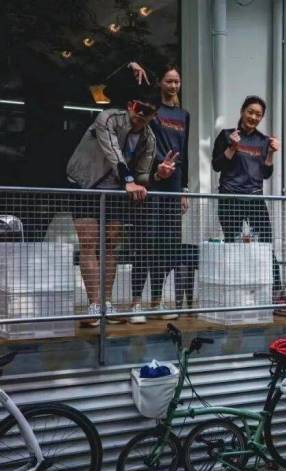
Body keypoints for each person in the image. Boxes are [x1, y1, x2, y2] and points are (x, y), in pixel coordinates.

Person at [66, 90, 159, 327]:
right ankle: (94, 304)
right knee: (89, 242)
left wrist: (159, 174)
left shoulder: (149, 138)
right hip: (86, 183)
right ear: (130, 104)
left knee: (110, 245)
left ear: (154, 115)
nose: (141, 114)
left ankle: (106, 304)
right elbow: (113, 152)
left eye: (148, 111)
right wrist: (129, 180)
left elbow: (143, 174)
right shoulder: (108, 118)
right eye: (138, 107)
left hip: (116, 190)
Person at [127, 62, 192, 323]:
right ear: (160, 83)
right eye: (169, 81)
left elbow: (185, 153)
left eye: (177, 81)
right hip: (151, 181)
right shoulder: (152, 109)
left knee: (168, 245)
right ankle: (135, 304)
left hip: (173, 186)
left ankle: (157, 301)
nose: (173, 85)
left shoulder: (184, 115)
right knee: (146, 242)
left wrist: (184, 189)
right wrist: (133, 69)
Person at [212, 95, 286, 308]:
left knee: (266, 245)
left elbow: (266, 173)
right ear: (242, 111)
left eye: (258, 114)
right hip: (230, 198)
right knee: (233, 245)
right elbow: (216, 166)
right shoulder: (226, 135)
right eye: (251, 112)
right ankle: (234, 294)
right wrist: (232, 148)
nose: (254, 117)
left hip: (254, 198)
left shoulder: (263, 141)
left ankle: (276, 292)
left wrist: (271, 153)